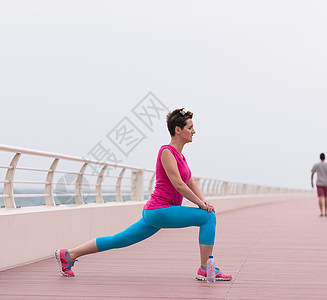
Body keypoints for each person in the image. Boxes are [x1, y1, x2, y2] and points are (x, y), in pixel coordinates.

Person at [55, 108, 232, 281]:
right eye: (190, 127)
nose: (194, 131)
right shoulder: (166, 152)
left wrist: (204, 201)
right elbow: (179, 184)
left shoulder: (180, 156)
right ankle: (205, 269)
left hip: (156, 213)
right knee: (207, 218)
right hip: (160, 210)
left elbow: (190, 182)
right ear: (178, 130)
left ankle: (69, 254)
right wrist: (202, 206)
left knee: (118, 240)